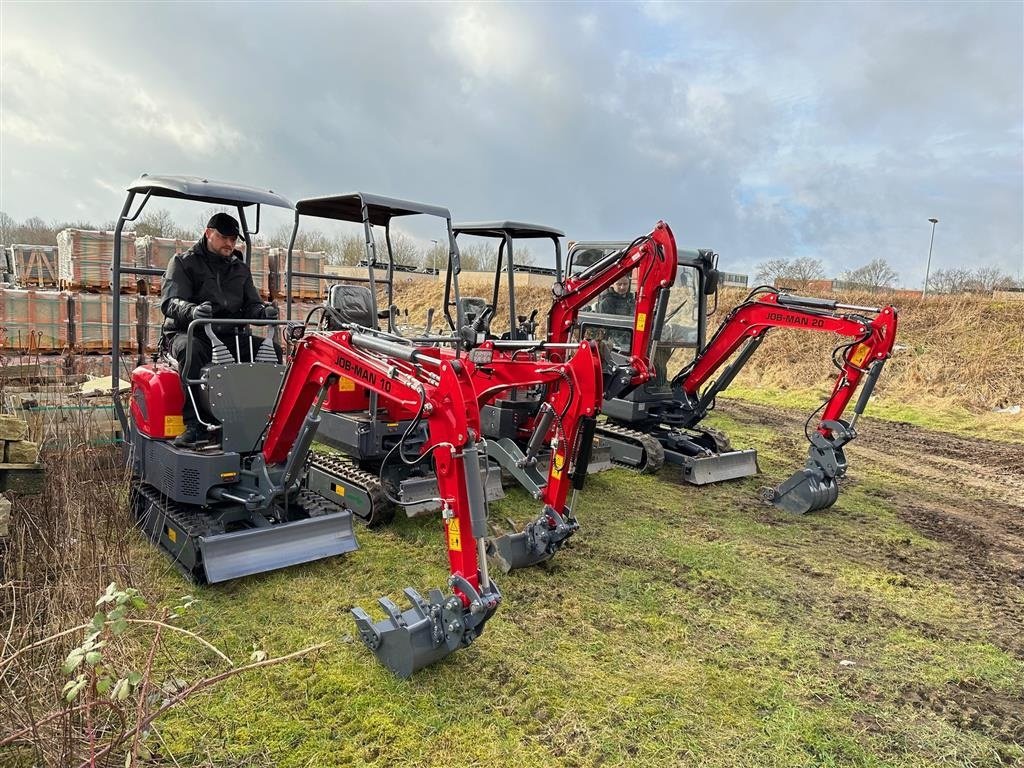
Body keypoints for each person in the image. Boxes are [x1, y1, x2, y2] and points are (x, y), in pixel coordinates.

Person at [161, 212, 279, 448]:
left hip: (230, 336)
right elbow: (170, 303)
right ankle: (195, 425)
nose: (229, 243)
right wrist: (192, 311)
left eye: (233, 239)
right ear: (208, 233)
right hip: (192, 333)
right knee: (191, 351)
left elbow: (252, 305)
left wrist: (262, 313)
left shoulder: (239, 269)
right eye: (224, 237)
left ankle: (263, 422)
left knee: (273, 351)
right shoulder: (184, 262)